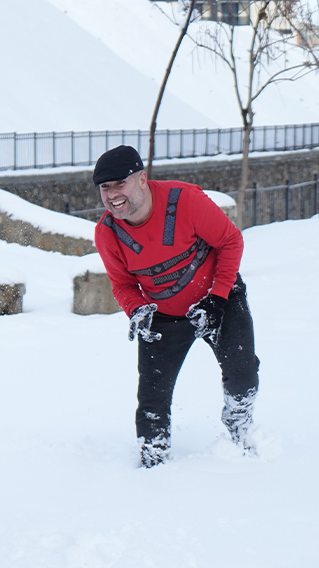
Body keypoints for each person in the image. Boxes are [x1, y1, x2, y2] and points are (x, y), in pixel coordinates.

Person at [91, 145, 260, 468]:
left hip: (218, 299)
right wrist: (137, 309)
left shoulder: (185, 201)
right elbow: (123, 284)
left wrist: (218, 297)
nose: (112, 195)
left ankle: (240, 435)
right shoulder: (108, 233)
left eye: (119, 184)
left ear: (142, 179)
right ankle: (154, 465)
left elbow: (230, 241)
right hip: (163, 317)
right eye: (105, 187)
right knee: (152, 402)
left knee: (243, 375)